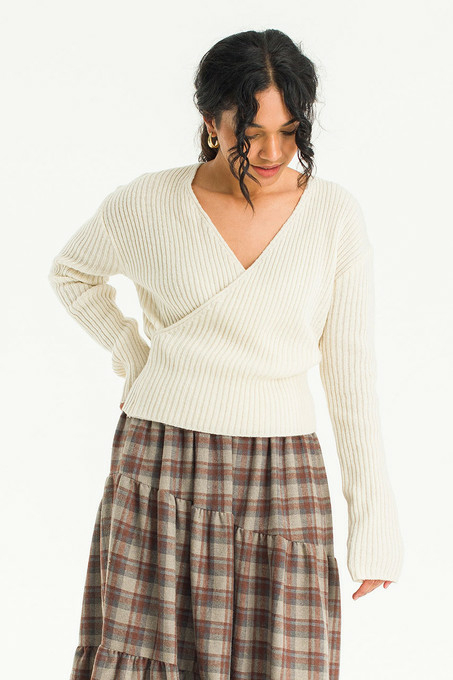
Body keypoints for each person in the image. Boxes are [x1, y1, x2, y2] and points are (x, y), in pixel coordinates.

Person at [48, 28, 403, 680]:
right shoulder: (148, 202)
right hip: (160, 458)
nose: (273, 153)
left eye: (289, 132)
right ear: (211, 122)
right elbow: (72, 273)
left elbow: (350, 374)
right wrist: (131, 352)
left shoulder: (333, 216)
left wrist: (373, 521)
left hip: (282, 472)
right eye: (252, 132)